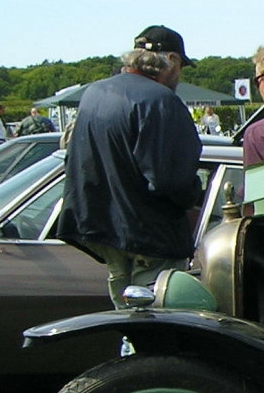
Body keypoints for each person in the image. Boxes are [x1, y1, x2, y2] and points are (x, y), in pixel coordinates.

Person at [57, 43, 202, 308]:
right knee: (160, 324)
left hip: (101, 229)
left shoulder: (94, 93)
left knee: (127, 320)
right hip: (150, 236)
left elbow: (74, 159)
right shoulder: (161, 100)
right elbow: (170, 180)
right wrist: (195, 196)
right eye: (179, 67)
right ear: (166, 65)